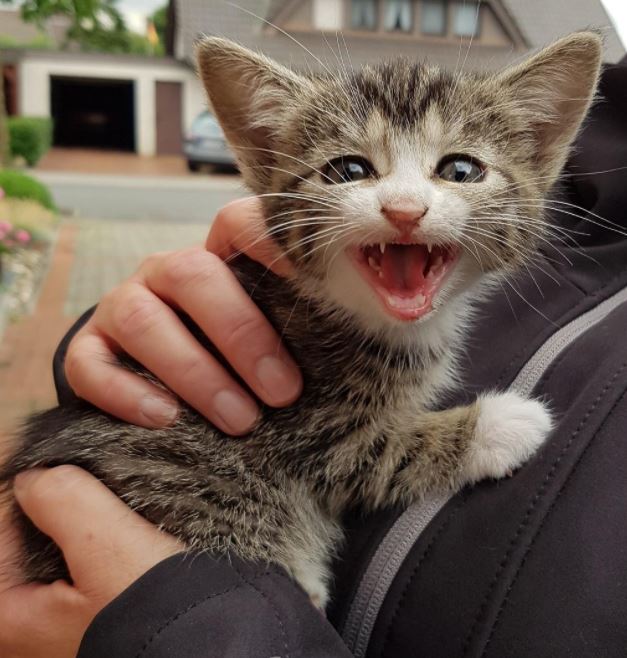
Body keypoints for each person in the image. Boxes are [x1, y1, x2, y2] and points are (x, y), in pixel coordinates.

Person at [1, 55, 627, 657]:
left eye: (459, 170)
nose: (405, 205)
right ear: (268, 161)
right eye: (352, 169)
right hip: (194, 522)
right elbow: (333, 456)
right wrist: (104, 344)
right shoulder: (301, 317)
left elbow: (321, 453)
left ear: (543, 149)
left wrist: (199, 631)